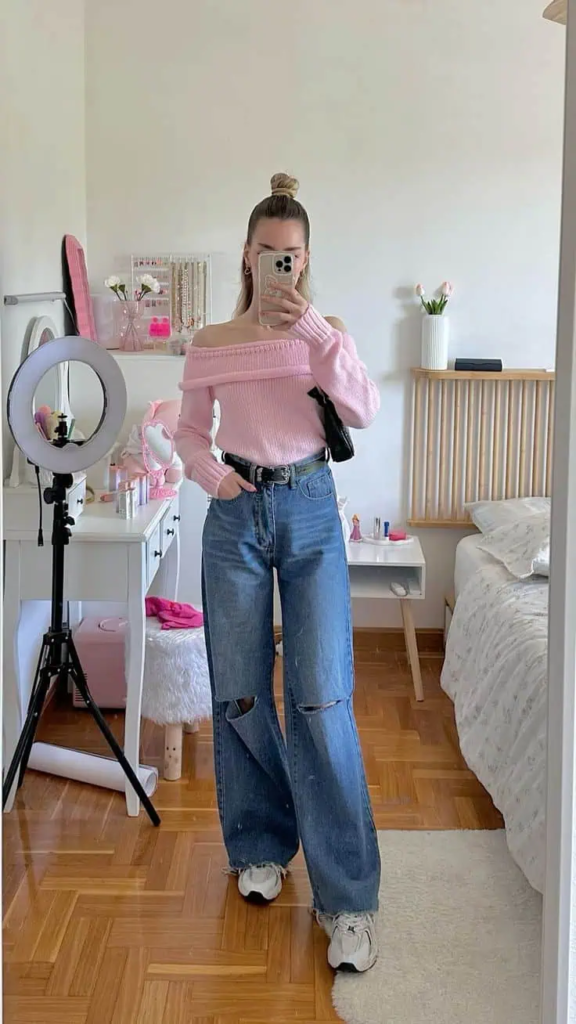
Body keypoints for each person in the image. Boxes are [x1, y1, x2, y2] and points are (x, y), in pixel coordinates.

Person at [175, 173, 381, 973]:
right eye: (268, 253)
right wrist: (211, 477)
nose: (281, 266)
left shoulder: (326, 337)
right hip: (235, 515)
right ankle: (259, 846)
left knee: (321, 695)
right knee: (239, 689)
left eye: (292, 255)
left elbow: (362, 410)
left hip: (311, 511)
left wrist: (319, 335)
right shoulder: (212, 341)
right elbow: (188, 432)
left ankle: (348, 899)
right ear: (247, 256)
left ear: (306, 258)